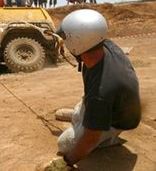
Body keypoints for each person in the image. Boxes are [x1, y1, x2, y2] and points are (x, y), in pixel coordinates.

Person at [54, 9, 141, 167]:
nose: (65, 44)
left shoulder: (102, 91)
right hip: (111, 102)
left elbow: (90, 140)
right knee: (79, 116)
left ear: (78, 42)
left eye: (67, 39)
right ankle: (80, 118)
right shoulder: (104, 45)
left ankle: (109, 138)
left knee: (64, 144)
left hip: (117, 120)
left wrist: (66, 162)